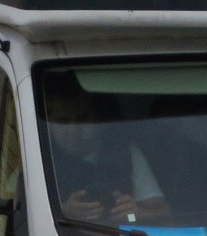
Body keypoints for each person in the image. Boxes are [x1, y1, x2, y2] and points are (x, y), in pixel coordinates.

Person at [45, 81, 172, 225]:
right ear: (48, 124)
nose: (74, 130)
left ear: (98, 119)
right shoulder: (37, 157)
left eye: (83, 118)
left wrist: (135, 213)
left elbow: (164, 213)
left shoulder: (126, 153)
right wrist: (62, 211)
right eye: (63, 122)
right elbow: (21, 217)